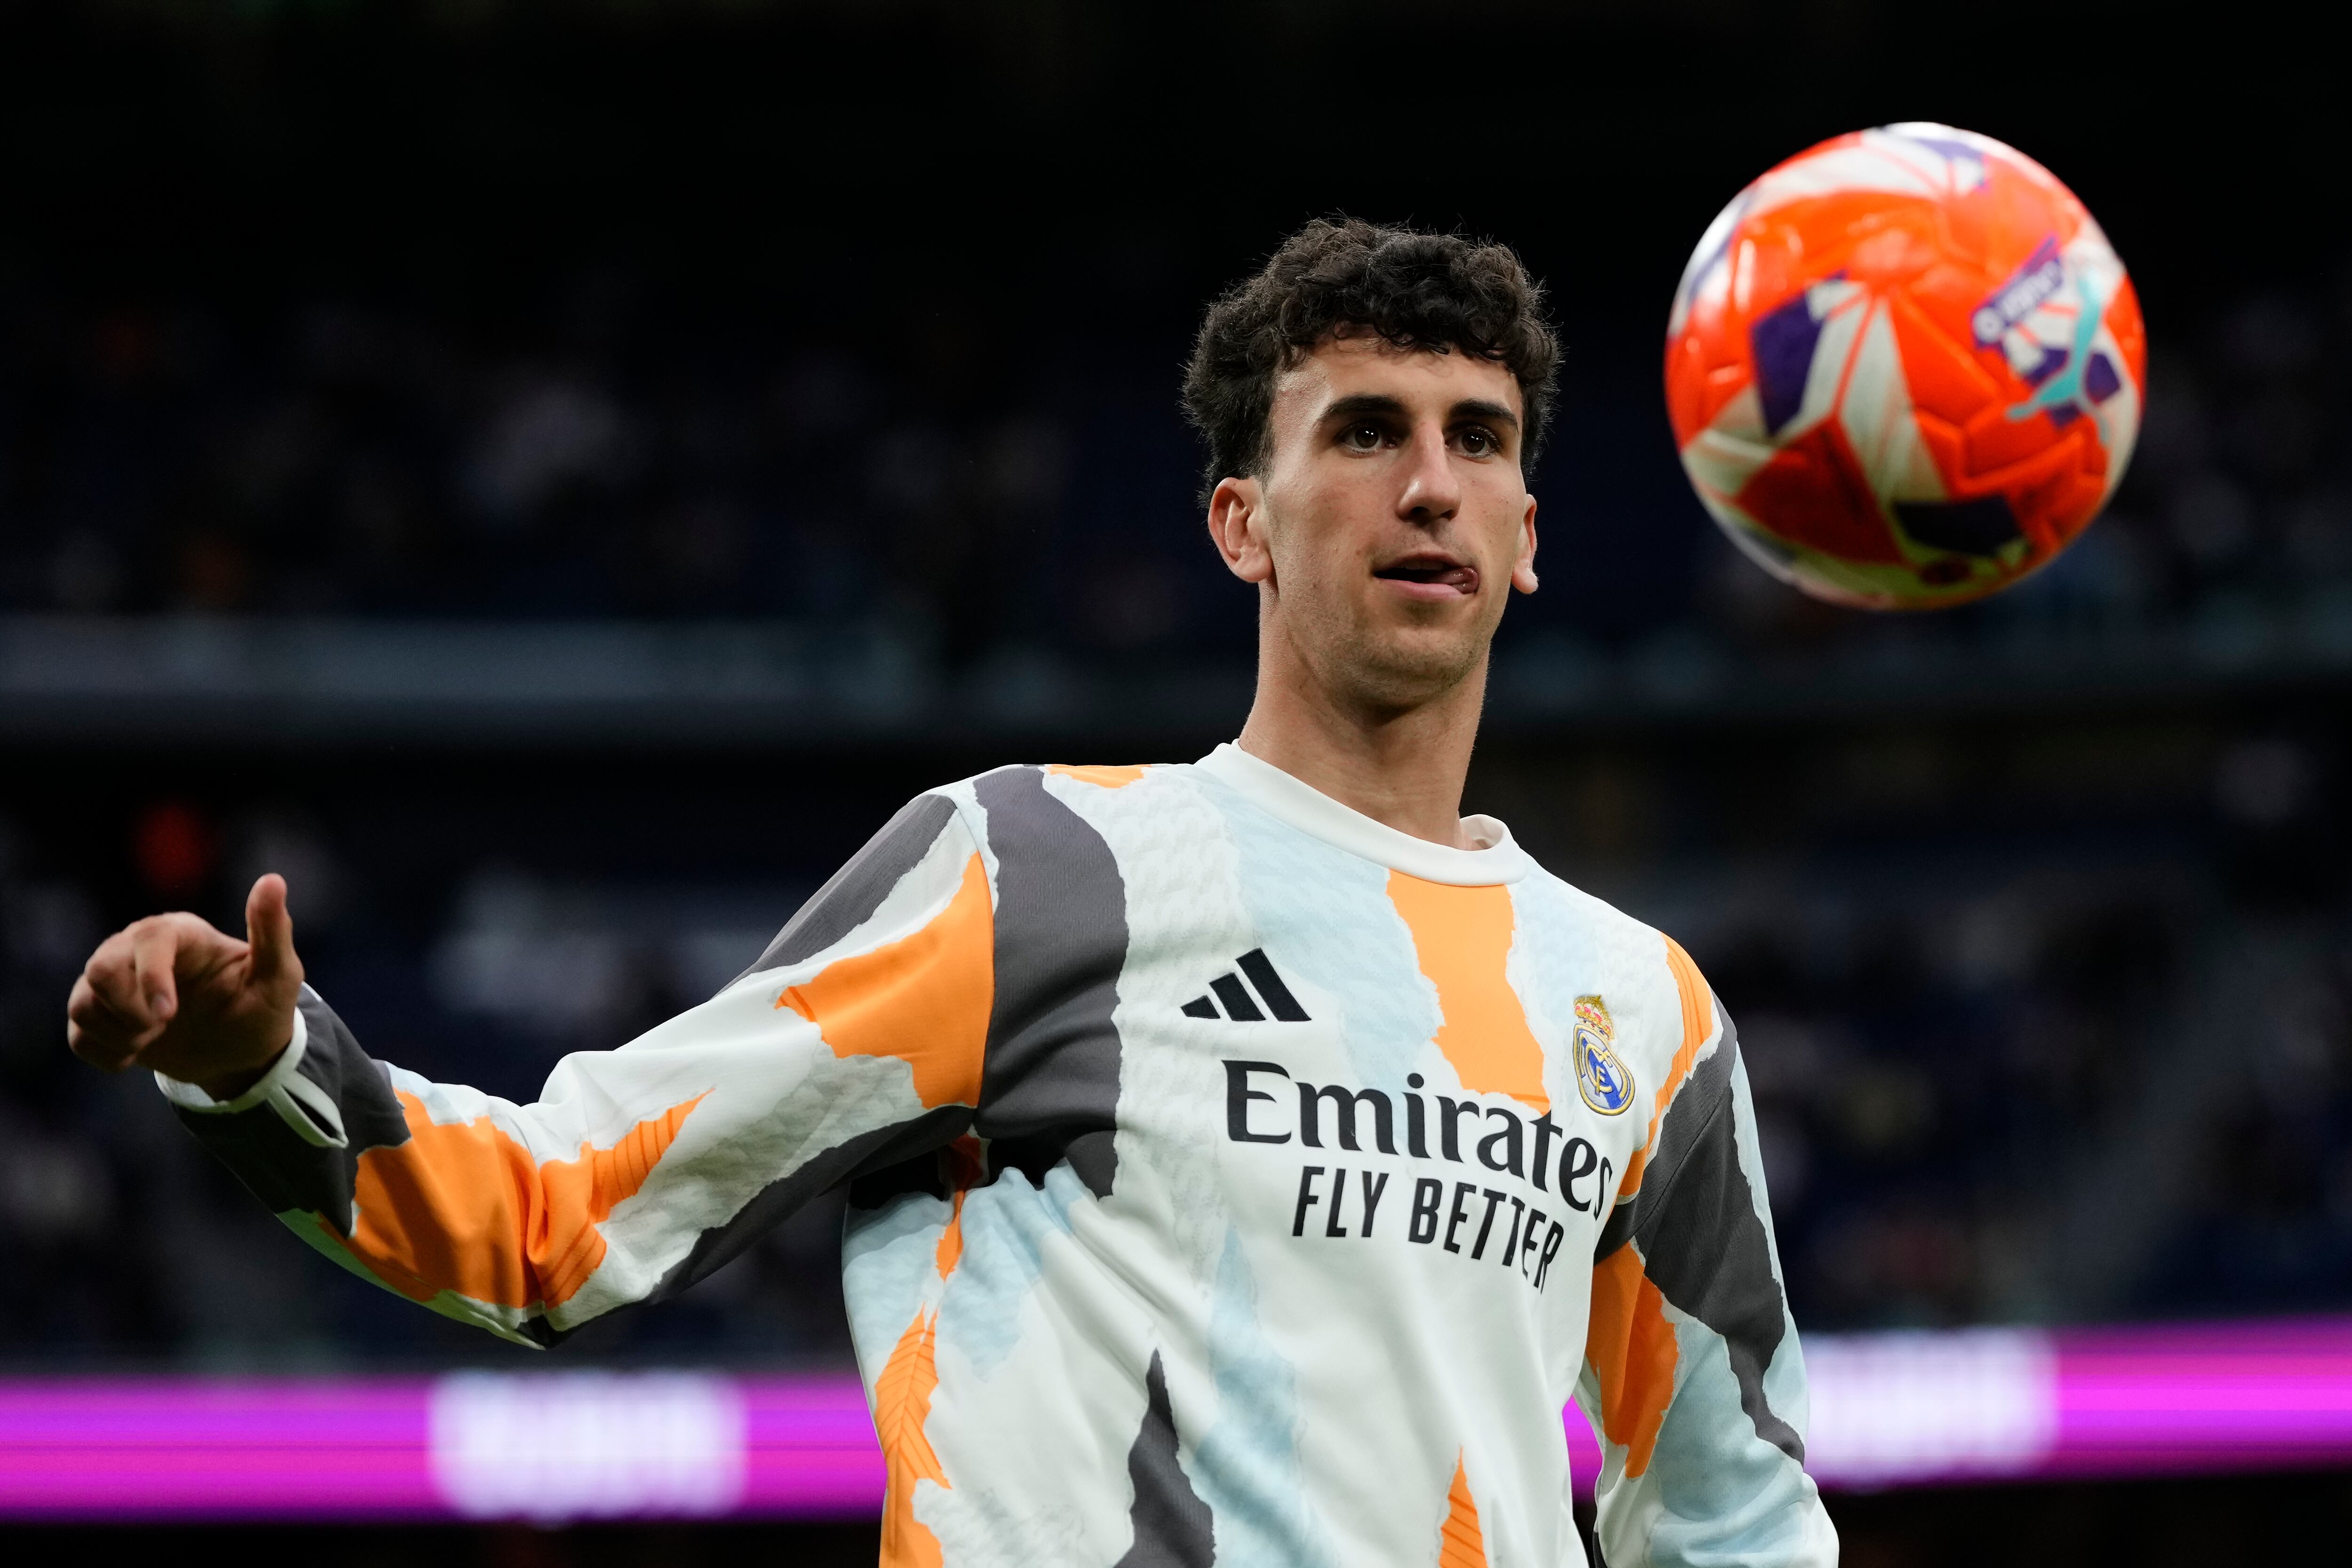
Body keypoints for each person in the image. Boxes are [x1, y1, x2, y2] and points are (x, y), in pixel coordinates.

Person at [66, 218, 1836, 1568]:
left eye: (1480, 438)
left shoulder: (1647, 1018)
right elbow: (556, 1220)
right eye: (1365, 432)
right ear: (1244, 523)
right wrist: (257, 1064)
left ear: (1533, 536)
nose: (1432, 484)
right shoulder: (1033, 874)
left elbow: (1739, 1519)